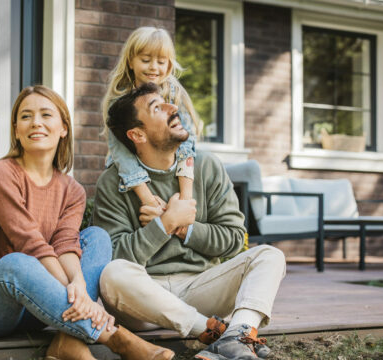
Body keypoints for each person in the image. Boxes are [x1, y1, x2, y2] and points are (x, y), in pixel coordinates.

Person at [0, 85, 174, 360]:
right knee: (18, 262)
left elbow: (65, 243)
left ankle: (67, 339)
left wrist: (78, 283)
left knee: (96, 237)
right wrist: (76, 294)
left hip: (39, 304)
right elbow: (30, 243)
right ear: (17, 130)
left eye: (46, 114)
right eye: (26, 116)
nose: (36, 123)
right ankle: (117, 338)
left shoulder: (72, 189)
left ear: (63, 128)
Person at [92, 83, 286, 360]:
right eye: (157, 108)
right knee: (112, 273)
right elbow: (114, 254)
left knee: (270, 256)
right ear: (137, 134)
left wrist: (185, 228)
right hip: (144, 298)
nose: (173, 108)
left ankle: (238, 332)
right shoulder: (113, 182)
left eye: (167, 102)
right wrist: (164, 224)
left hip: (202, 287)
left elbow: (233, 239)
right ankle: (216, 332)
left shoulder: (207, 166)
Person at [102, 27, 200, 236]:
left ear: (169, 64)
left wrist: (185, 199)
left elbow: (186, 142)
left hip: (172, 171)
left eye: (161, 61)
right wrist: (149, 201)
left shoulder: (173, 93)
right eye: (146, 60)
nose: (154, 67)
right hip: (132, 175)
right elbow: (122, 156)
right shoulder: (120, 103)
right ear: (130, 61)